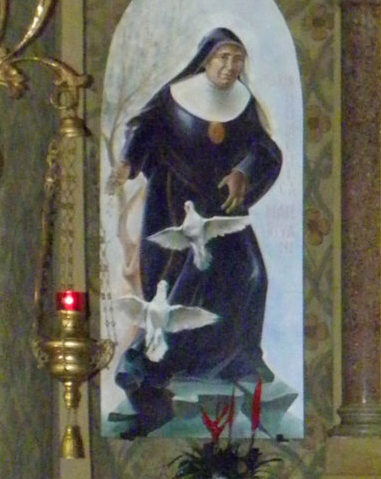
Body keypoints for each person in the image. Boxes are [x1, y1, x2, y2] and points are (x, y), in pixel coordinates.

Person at [110, 27, 282, 435]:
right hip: (175, 204)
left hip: (220, 207)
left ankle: (240, 358)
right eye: (223, 57)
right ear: (205, 59)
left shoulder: (243, 105)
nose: (229, 66)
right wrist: (128, 162)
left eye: (237, 59)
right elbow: (144, 128)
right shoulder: (176, 96)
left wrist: (242, 172)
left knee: (253, 275)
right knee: (178, 286)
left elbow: (265, 149)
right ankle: (148, 369)